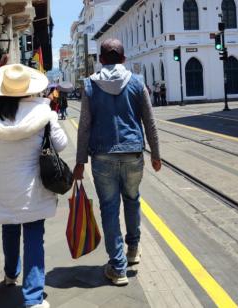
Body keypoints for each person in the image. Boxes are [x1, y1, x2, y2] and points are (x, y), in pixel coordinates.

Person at [0, 64, 68, 308]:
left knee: (10, 227)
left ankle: (10, 274)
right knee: (34, 237)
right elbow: (62, 144)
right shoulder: (43, 113)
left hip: (2, 187)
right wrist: (53, 121)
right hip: (33, 188)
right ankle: (33, 299)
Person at [73, 38, 161, 286]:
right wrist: (155, 154)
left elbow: (84, 127)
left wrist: (80, 161)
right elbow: (149, 122)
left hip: (102, 157)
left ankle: (118, 267)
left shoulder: (90, 85)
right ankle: (133, 250)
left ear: (100, 60)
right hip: (133, 153)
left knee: (109, 208)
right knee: (132, 200)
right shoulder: (137, 82)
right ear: (124, 59)